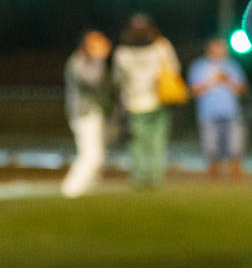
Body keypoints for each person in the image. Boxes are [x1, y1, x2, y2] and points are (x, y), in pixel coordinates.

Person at [112, 12, 180, 189]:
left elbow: (117, 79)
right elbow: (174, 69)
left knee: (139, 142)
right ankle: (153, 178)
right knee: (155, 142)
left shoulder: (122, 52)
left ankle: (140, 177)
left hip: (136, 101)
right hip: (155, 100)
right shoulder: (161, 46)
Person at [60, 29, 112, 198]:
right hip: (83, 114)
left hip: (91, 112)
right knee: (91, 156)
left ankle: (88, 190)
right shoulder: (77, 62)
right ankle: (71, 190)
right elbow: (93, 80)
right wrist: (99, 57)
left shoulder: (86, 61)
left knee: (97, 155)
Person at [187, 37, 247, 180]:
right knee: (210, 144)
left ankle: (235, 174)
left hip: (231, 111)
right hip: (208, 112)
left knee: (235, 144)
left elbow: (242, 89)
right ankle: (213, 174)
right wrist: (213, 80)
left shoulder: (232, 66)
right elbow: (193, 91)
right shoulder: (198, 66)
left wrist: (227, 80)